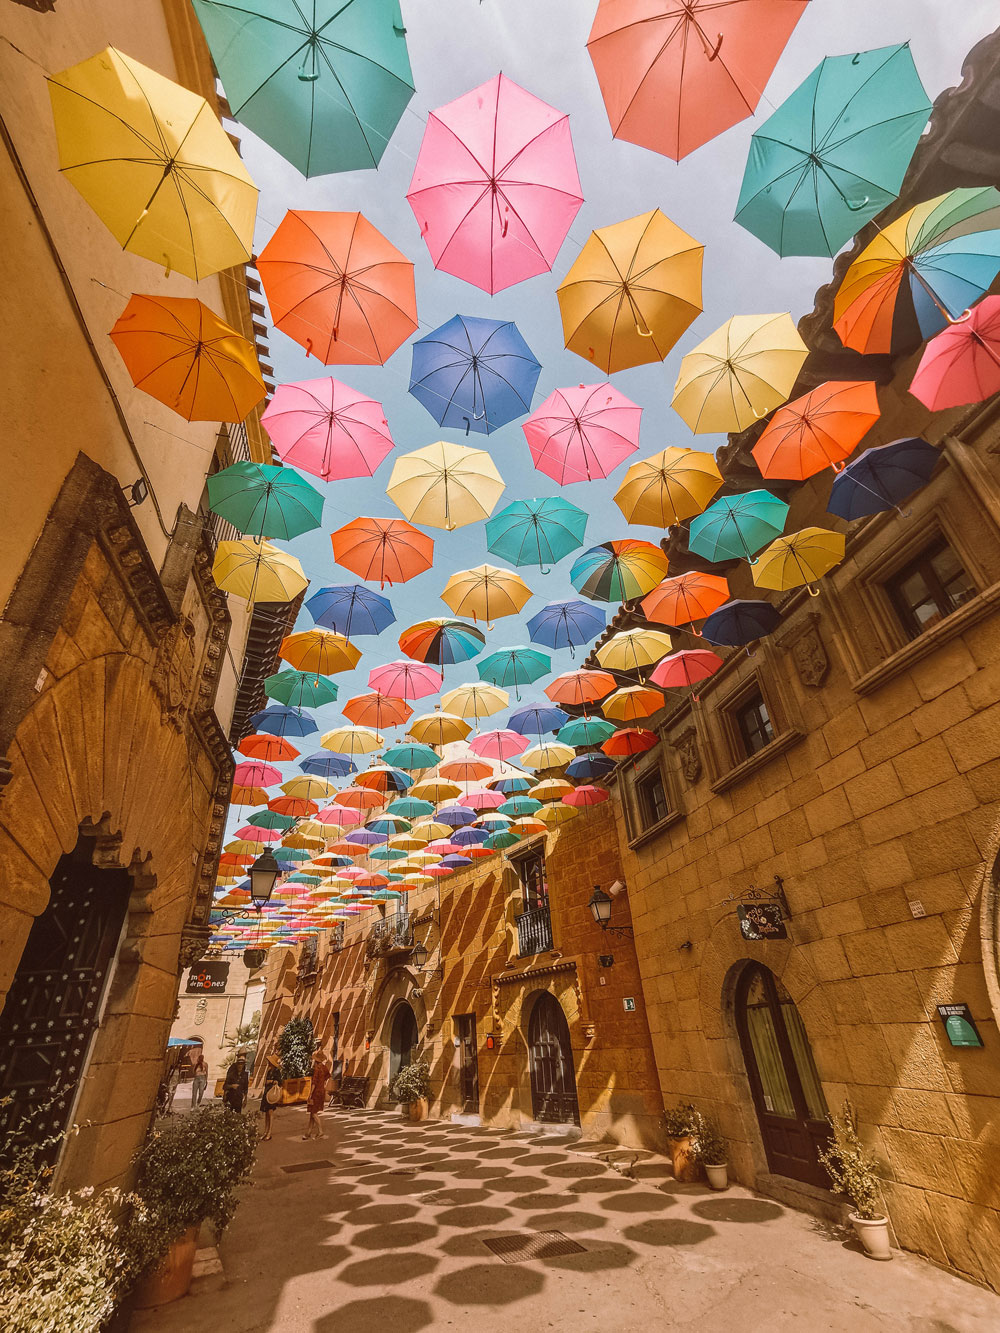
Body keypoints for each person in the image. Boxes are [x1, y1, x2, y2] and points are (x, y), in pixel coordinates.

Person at [303, 1046, 330, 1140]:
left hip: (316, 1092)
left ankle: (320, 1131)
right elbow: (327, 1076)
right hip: (321, 1091)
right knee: (312, 1112)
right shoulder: (324, 1067)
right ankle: (308, 1133)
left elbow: (314, 1082)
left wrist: (310, 1093)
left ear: (316, 1060)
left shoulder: (317, 1069)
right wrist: (323, 1085)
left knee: (313, 1113)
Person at [260, 1052, 283, 1141]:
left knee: (270, 1112)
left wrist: (272, 1082)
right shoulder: (269, 1071)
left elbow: (279, 1082)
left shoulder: (277, 1072)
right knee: (266, 1113)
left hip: (272, 1094)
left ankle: (269, 1132)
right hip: (267, 1093)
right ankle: (265, 1131)